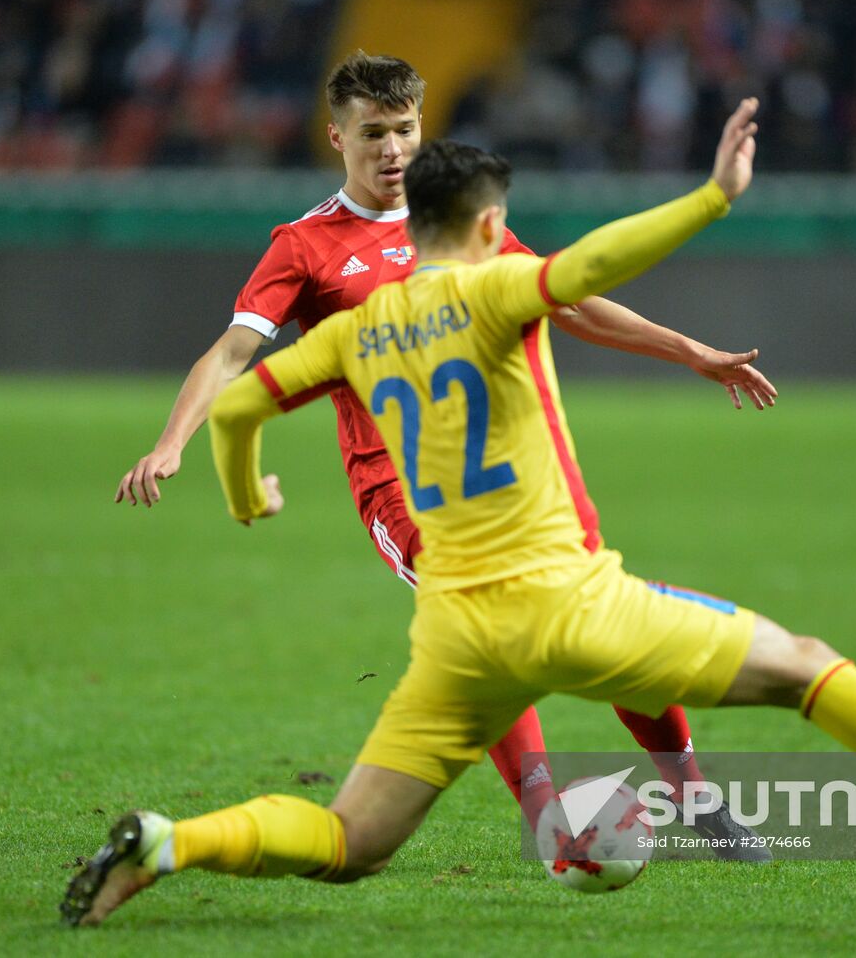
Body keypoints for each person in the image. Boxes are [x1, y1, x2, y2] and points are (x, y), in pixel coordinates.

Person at [62, 100, 856, 927]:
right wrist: (711, 197)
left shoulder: (357, 327)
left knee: (350, 840)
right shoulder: (499, 287)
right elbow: (595, 264)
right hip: (568, 604)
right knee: (803, 663)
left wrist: (250, 496)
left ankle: (168, 842)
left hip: (457, 641)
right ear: (485, 227)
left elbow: (239, 401)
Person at [112, 51, 776, 848]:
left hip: (506, 477)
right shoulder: (306, 246)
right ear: (337, 137)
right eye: (372, 134)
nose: (391, 150)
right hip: (399, 490)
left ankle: (695, 799)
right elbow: (230, 354)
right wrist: (171, 442)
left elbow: (567, 302)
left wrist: (691, 351)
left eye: (403, 130)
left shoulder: (456, 219)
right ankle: (547, 819)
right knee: (492, 625)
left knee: (597, 617)